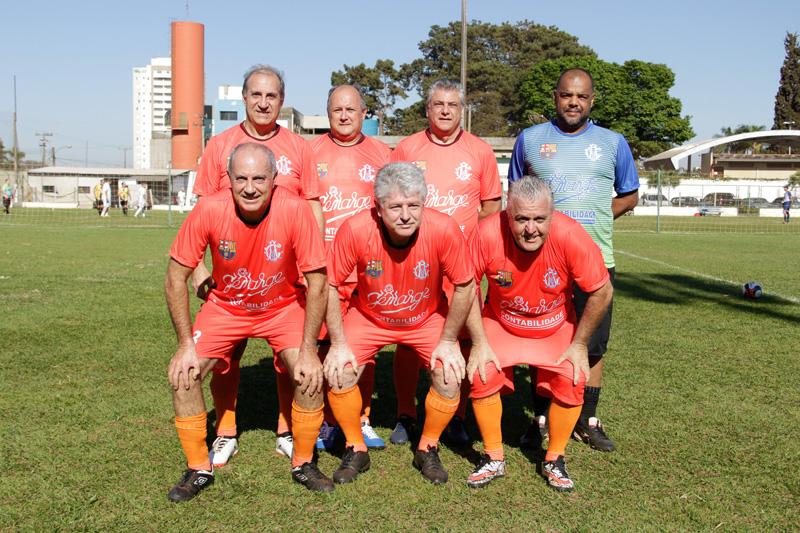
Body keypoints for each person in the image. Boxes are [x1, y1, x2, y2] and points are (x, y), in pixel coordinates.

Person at [164, 143, 331, 502]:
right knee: (183, 374)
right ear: (228, 179)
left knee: (309, 373)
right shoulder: (210, 208)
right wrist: (184, 345)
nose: (250, 187)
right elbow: (175, 276)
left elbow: (318, 280)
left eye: (259, 178)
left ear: (274, 179)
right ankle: (198, 467)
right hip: (226, 307)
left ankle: (303, 461)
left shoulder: (295, 209)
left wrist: (308, 350)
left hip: (282, 307)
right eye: (241, 178)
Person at [190, 64, 324, 466]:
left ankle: (287, 429)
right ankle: (225, 431)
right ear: (244, 99)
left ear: (282, 102)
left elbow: (312, 205)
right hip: (231, 277)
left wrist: (311, 262)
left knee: (294, 359)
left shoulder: (300, 148)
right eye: (256, 95)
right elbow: (201, 211)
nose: (263, 103)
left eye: (272, 96)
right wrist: (199, 270)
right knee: (225, 355)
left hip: (284, 279)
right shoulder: (219, 146)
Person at [508, 67, 639, 452]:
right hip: (541, 262)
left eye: (581, 97)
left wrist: (593, 220)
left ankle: (588, 419)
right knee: (541, 338)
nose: (573, 102)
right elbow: (517, 194)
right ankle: (541, 417)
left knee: (594, 344)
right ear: (556, 97)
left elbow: (629, 195)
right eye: (567, 95)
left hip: (595, 258)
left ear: (592, 100)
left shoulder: (613, 143)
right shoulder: (530, 140)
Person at [323, 162, 475, 485]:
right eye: (395, 206)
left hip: (425, 318)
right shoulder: (356, 229)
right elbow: (329, 284)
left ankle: (427, 446)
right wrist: (337, 343)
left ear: (424, 203)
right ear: (378, 208)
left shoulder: (444, 229)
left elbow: (465, 284)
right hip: (369, 317)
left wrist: (449, 340)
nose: (405, 215)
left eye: (413, 205)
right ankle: (355, 447)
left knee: (450, 376)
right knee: (339, 372)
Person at [464, 175, 612, 491]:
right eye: (521, 219)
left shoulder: (571, 235)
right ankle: (493, 456)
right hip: (503, 323)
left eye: (539, 219)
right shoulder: (487, 232)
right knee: (481, 372)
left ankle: (554, 458)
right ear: (507, 213)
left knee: (574, 376)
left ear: (552, 214)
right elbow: (464, 286)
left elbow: (602, 291)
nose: (531, 229)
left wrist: (580, 344)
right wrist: (478, 341)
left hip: (554, 325)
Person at [389, 79, 502, 447]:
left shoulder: (480, 151)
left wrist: (474, 253)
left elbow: (490, 207)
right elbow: (392, 197)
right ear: (427, 109)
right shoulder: (408, 147)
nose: (444, 110)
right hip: (415, 263)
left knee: (464, 340)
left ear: (461, 109)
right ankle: (406, 413)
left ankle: (458, 415)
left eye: (452, 105)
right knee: (408, 339)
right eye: (438, 104)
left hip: (461, 267)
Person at [309, 84, 392, 451]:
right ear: (328, 113)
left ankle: (362, 417)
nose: (344, 115)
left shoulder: (382, 154)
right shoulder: (310, 153)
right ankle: (329, 420)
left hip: (369, 269)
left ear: (363, 113)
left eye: (350, 109)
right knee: (325, 345)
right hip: (323, 270)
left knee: (364, 348)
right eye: (336, 110)